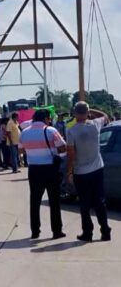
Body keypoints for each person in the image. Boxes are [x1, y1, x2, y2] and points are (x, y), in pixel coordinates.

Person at [66, 102, 111, 242]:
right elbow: (106, 116)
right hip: (97, 169)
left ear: (74, 114)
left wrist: (69, 172)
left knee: (84, 203)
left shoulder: (71, 131)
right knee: (100, 201)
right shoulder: (95, 124)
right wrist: (90, 109)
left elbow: (71, 154)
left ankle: (87, 232)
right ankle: (105, 231)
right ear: (87, 113)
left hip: (81, 172)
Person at [19, 109, 66, 240]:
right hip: (50, 168)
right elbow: (62, 147)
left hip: (34, 169)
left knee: (35, 201)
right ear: (45, 118)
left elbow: (21, 150)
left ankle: (35, 231)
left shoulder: (25, 132)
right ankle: (56, 231)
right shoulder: (51, 131)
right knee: (54, 201)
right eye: (49, 118)